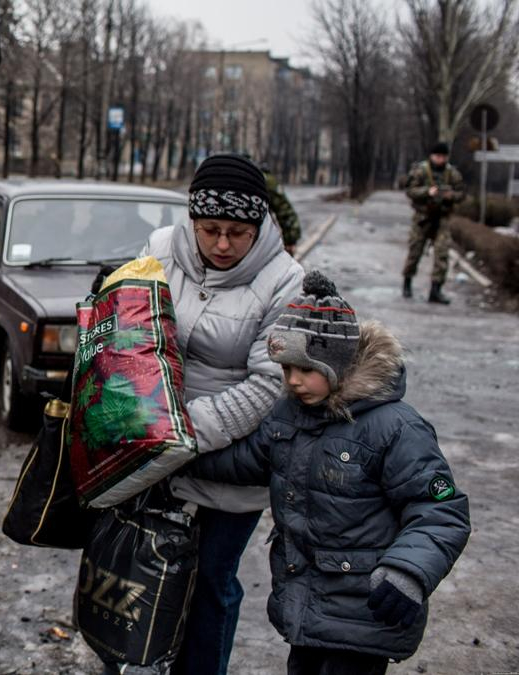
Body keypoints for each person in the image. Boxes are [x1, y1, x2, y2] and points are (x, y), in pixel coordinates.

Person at [187, 271, 471, 675]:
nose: (293, 381)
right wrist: (179, 454)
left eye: (306, 369)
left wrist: (408, 571)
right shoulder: (290, 415)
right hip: (306, 605)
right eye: (286, 369)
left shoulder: (395, 427)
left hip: (365, 611)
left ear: (336, 363)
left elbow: (440, 511)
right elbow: (246, 459)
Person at [141, 153, 304, 675]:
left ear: (259, 226)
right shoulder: (159, 249)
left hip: (229, 462)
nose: (223, 244)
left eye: (238, 233)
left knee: (210, 581)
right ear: (193, 220)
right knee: (143, 568)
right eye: (210, 229)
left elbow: (269, 385)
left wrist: (182, 431)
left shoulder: (285, 280)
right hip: (151, 449)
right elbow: (132, 333)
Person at [402, 141, 465, 304]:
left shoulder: (452, 173)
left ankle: (435, 290)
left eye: (443, 156)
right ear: (431, 156)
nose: (440, 159)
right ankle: (407, 283)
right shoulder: (421, 171)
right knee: (415, 251)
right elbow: (410, 190)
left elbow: (461, 193)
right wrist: (427, 192)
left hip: (442, 218)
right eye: (438, 156)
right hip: (422, 218)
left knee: (442, 254)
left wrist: (450, 195)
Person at [262, 164, 302, 257]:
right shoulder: (263, 178)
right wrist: (290, 240)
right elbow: (284, 209)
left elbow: (284, 209)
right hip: (261, 245)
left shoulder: (261, 178)